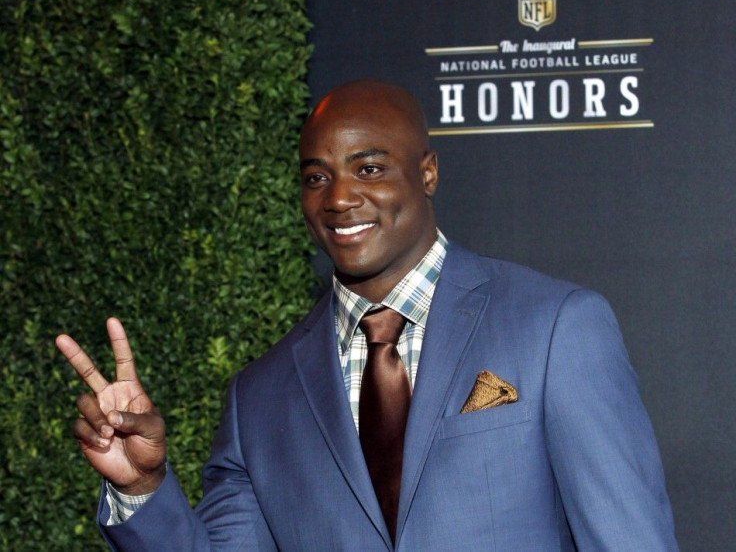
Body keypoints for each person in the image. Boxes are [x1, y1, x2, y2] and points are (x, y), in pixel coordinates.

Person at [58, 80, 678, 550]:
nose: (340, 198)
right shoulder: (259, 398)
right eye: (315, 177)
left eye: (369, 168)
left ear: (427, 172)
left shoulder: (555, 328)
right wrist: (141, 489)